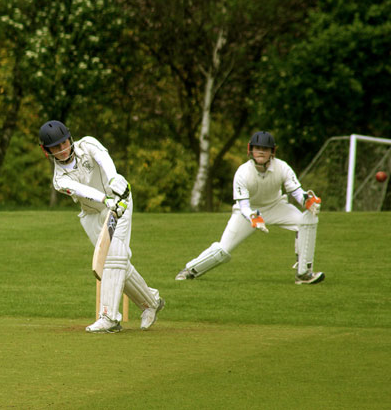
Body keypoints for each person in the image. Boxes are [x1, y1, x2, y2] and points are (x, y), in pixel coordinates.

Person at [39, 120, 165, 333]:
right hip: (93, 214)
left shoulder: (88, 144)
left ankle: (109, 317)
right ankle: (151, 302)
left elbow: (104, 160)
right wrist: (105, 199)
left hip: (120, 202)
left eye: (64, 143)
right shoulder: (59, 180)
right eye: (56, 148)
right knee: (117, 264)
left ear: (70, 138)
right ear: (47, 151)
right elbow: (80, 189)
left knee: (115, 258)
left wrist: (115, 180)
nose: (63, 149)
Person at [175, 131, 325, 285]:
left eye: (265, 149)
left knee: (307, 220)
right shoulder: (242, 172)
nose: (261, 151)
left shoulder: (282, 167)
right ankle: (190, 271)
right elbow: (243, 205)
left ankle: (303, 274)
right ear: (250, 150)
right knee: (223, 250)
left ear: (272, 152)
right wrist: (253, 217)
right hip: (247, 213)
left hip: (276, 206)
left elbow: (296, 191)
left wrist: (307, 201)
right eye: (257, 148)